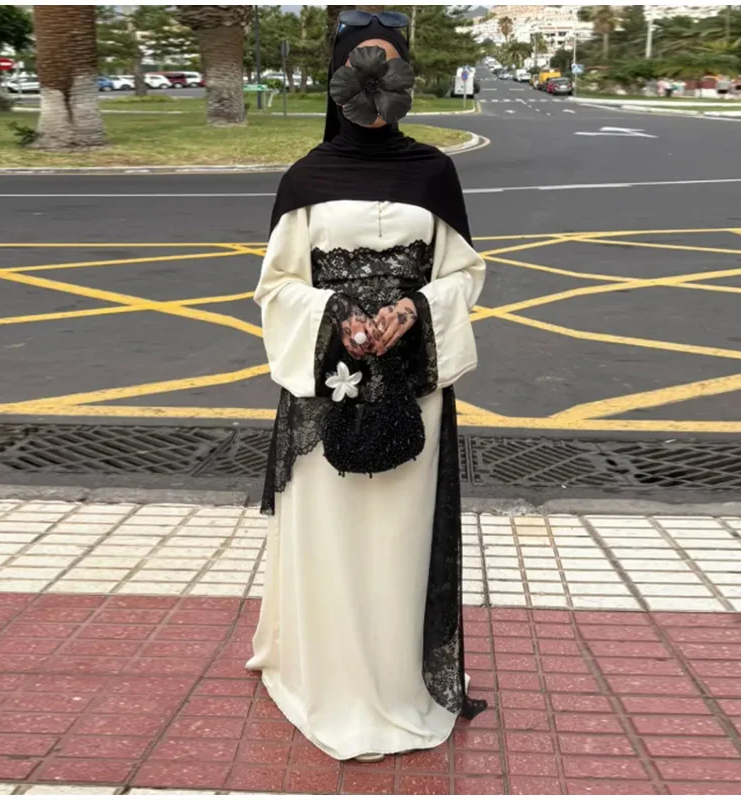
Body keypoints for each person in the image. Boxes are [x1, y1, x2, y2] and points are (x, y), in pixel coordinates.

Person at [247, 11, 487, 763]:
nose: (375, 83)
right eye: (362, 67)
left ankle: (393, 678)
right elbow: (276, 286)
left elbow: (464, 274)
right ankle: (328, 675)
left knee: (399, 537)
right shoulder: (306, 178)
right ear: (340, 78)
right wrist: (336, 316)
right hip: (331, 382)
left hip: (412, 386)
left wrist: (414, 309)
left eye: (388, 66)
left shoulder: (434, 173)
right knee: (332, 531)